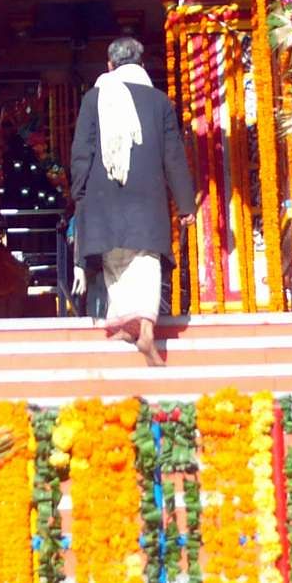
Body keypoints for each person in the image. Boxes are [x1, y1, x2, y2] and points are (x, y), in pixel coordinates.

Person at [67, 35, 196, 365]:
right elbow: (173, 156)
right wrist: (185, 204)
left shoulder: (94, 98)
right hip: (146, 197)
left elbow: (82, 151)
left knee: (116, 259)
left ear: (109, 66)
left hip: (102, 195)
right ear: (142, 65)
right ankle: (144, 329)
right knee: (145, 261)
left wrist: (78, 193)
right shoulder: (159, 102)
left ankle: (128, 324)